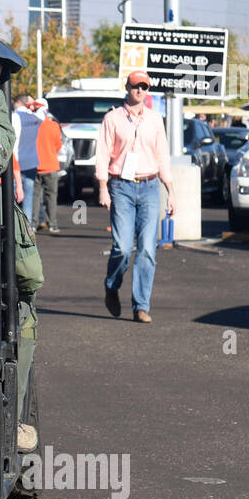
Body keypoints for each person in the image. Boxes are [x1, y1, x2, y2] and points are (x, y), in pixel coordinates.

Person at [96, 70, 175, 324]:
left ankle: (141, 306)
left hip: (150, 187)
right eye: (135, 86)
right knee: (121, 247)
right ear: (127, 87)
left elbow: (163, 155)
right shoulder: (112, 118)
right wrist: (102, 187)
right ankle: (112, 285)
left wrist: (171, 191)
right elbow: (102, 154)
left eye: (144, 86)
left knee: (147, 250)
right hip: (122, 187)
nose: (139, 90)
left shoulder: (154, 119)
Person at [32, 101, 63, 233]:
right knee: (51, 197)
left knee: (34, 197)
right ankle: (53, 224)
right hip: (51, 166)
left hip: (33, 166)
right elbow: (58, 145)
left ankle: (32, 223)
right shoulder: (54, 126)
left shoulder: (30, 125)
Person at [12, 94, 41, 221]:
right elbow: (44, 112)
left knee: (13, 202)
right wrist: (34, 105)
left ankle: (14, 230)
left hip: (16, 163)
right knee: (28, 199)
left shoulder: (14, 116)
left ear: (18, 102)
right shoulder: (35, 118)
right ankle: (28, 228)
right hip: (31, 163)